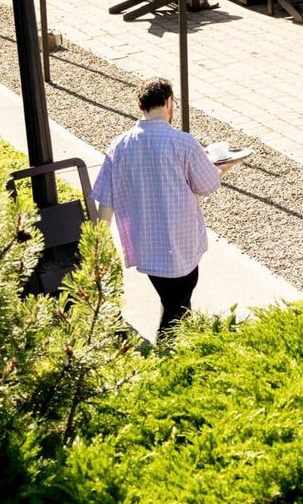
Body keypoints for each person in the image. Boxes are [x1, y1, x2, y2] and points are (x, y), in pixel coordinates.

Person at [90, 77, 243, 340]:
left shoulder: (120, 145)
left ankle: (184, 348)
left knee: (175, 303)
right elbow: (207, 185)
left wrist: (97, 242)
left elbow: (106, 200)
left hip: (147, 247)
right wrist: (224, 168)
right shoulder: (182, 143)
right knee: (176, 310)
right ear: (170, 102)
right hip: (182, 246)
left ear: (141, 108)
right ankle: (166, 360)